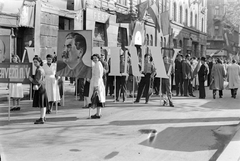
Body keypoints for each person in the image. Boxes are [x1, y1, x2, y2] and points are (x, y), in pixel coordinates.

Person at [29, 56, 49, 124]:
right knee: (43, 103)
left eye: (36, 62)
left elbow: (37, 80)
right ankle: (43, 117)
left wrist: (32, 80)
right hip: (42, 87)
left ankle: (42, 118)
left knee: (42, 104)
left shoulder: (39, 70)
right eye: (34, 62)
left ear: (39, 62)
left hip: (40, 88)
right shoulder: (41, 69)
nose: (35, 63)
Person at [88, 54, 105, 119]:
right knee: (98, 98)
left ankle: (98, 114)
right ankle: (98, 113)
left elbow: (98, 76)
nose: (94, 59)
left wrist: (96, 85)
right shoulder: (97, 64)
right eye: (93, 58)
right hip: (97, 82)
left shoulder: (98, 65)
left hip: (97, 83)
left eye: (96, 58)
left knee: (97, 98)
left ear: (98, 58)